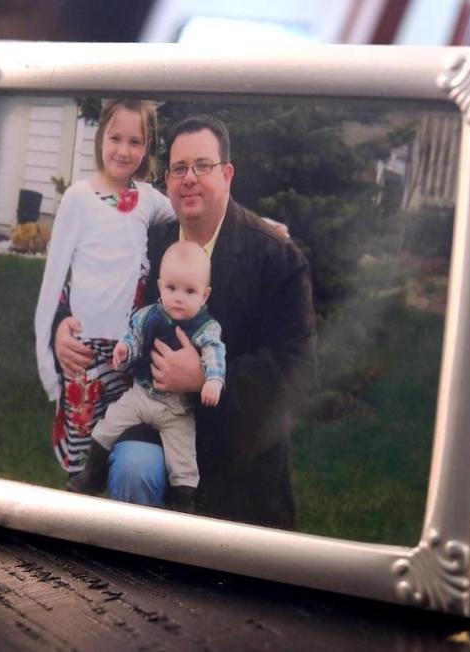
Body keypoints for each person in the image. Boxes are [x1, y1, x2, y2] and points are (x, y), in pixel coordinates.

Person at [57, 114, 316, 529]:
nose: (189, 178)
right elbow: (93, 271)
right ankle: (132, 575)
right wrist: (62, 322)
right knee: (133, 468)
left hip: (235, 443)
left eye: (202, 166)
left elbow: (297, 371)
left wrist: (203, 378)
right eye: (179, 168)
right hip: (152, 420)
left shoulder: (276, 258)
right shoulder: (150, 237)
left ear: (227, 174)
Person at [34, 99, 176, 479]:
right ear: (101, 138)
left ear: (146, 147)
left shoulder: (148, 198)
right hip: (83, 352)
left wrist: (263, 221)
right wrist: (49, 369)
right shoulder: (78, 199)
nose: (124, 150)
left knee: (113, 448)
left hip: (126, 354)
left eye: (135, 141)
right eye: (115, 138)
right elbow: (52, 283)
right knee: (80, 467)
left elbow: (193, 211)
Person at [68, 241, 226, 510]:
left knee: (183, 462)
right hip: (141, 396)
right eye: (171, 288)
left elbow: (214, 353)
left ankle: (181, 504)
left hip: (176, 410)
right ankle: (93, 475)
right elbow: (134, 338)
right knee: (107, 425)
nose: (179, 297)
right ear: (160, 285)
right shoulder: (147, 316)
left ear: (205, 295)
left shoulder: (205, 327)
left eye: (190, 291)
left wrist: (212, 380)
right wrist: (124, 351)